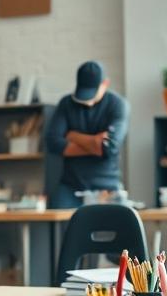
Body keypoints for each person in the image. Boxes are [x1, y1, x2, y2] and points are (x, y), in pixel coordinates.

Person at [44, 60, 130, 207]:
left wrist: (72, 136)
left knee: (123, 223)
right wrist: (95, 142)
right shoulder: (66, 103)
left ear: (105, 84)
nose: (86, 99)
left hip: (108, 187)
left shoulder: (118, 104)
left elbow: (109, 148)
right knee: (59, 218)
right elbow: (53, 143)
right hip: (70, 187)